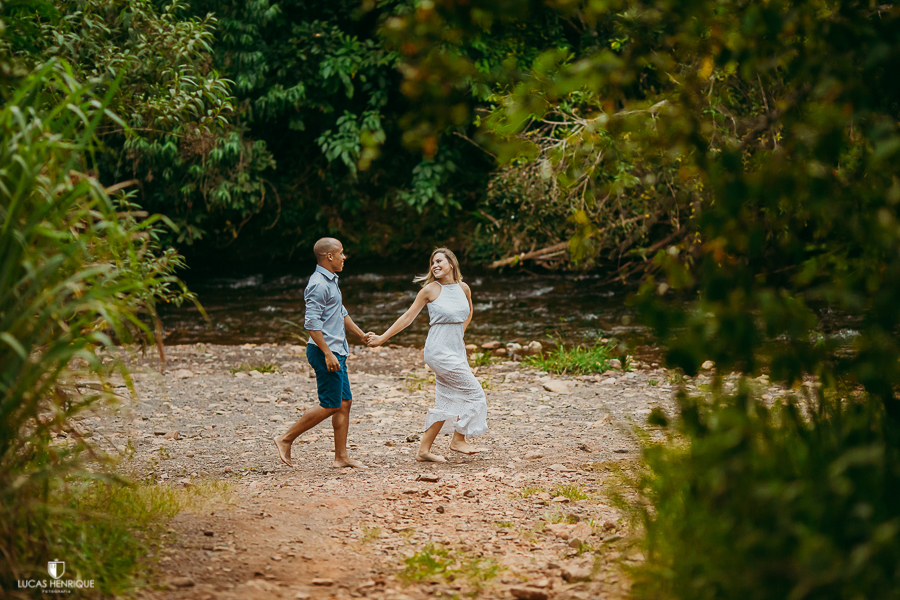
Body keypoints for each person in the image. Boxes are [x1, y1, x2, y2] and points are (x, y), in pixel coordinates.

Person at [367, 248, 488, 462]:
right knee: (475, 393)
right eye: (432, 262)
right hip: (438, 350)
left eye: (439, 261)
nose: (435, 265)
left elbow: (468, 311)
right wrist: (382, 338)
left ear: (451, 263)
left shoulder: (464, 288)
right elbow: (407, 318)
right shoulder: (430, 290)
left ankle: (423, 451)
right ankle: (458, 440)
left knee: (445, 400)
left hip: (456, 350)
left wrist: (460, 333)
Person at [274, 237, 371, 469]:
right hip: (324, 352)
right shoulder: (318, 284)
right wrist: (327, 353)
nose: (344, 257)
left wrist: (360, 334)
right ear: (329, 256)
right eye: (341, 253)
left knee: (345, 402)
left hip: (337, 350)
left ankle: (341, 457)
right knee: (330, 404)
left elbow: (340, 311)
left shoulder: (331, 279)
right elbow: (311, 323)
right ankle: (285, 438)